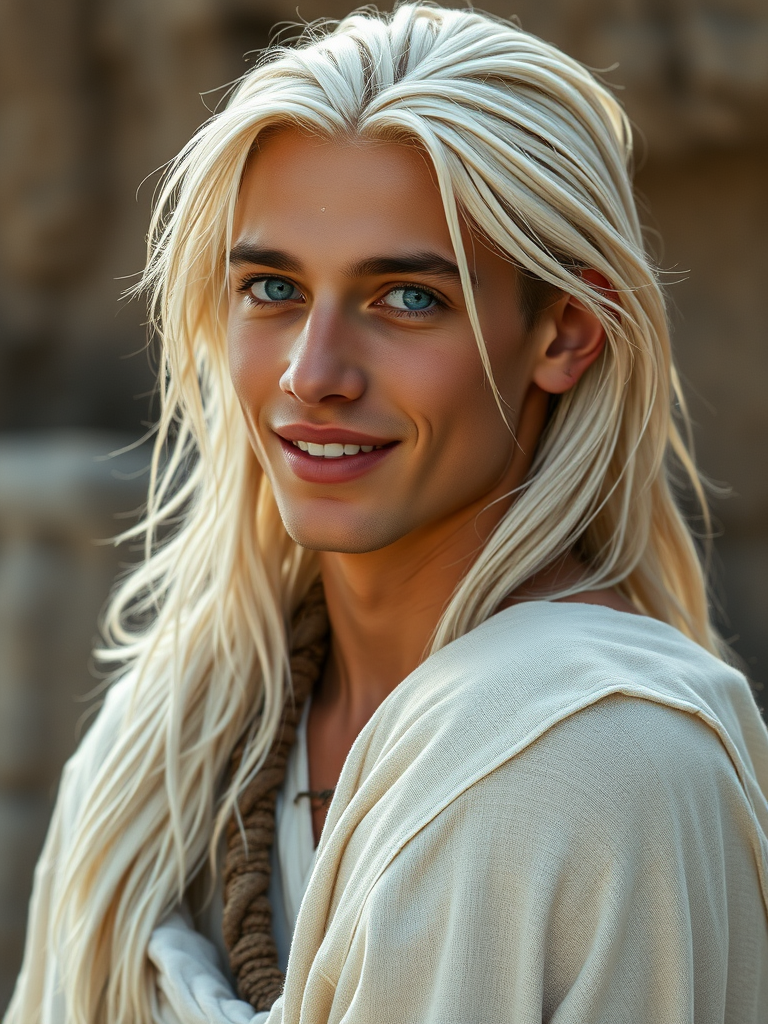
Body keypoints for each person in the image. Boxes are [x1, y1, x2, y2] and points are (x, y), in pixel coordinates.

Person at [6, 5, 768, 1022]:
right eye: (271, 287)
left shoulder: (615, 759)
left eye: (406, 299)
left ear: (566, 335)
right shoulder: (157, 758)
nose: (312, 374)